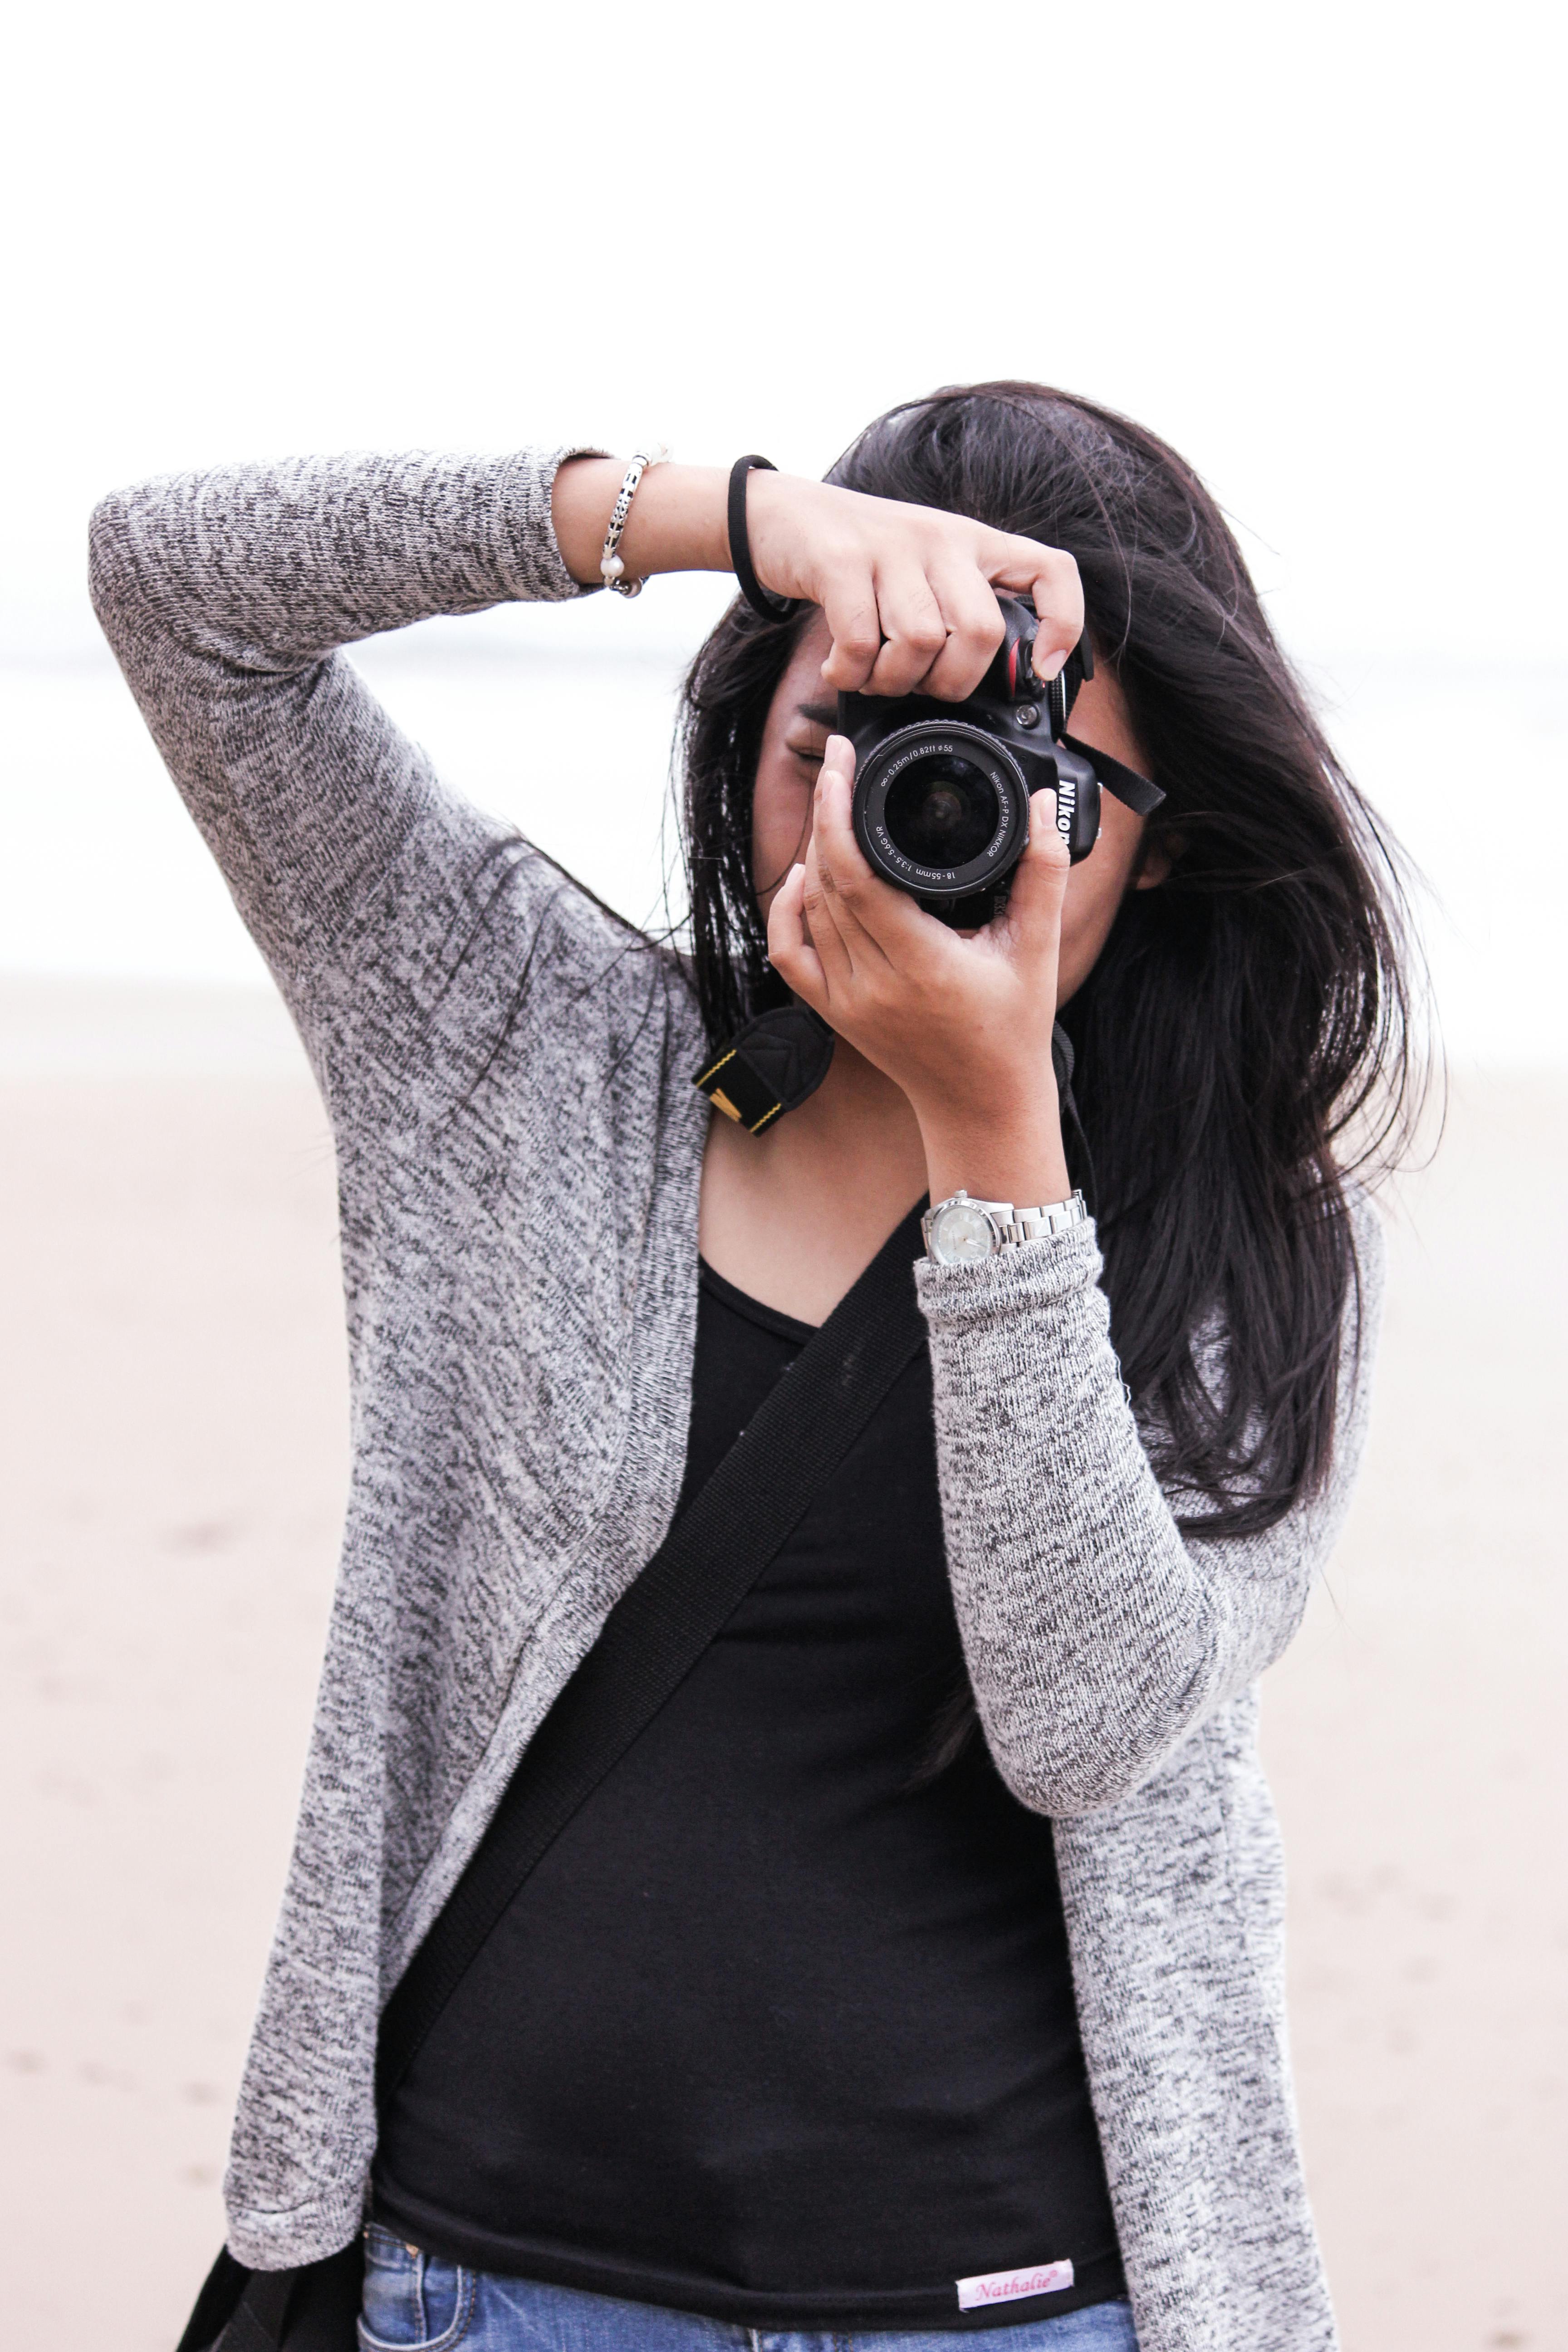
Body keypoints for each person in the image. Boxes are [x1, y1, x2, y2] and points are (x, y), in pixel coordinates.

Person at [89, 382, 1418, 2352]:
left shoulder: (1259, 1240)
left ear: (1164, 846)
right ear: (754, 738)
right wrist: (722, 518)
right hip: (499, 2285)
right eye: (844, 741)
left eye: (1014, 781)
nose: (911, 821)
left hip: (1013, 2307)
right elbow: (174, 590)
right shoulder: (507, 1036)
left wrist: (1000, 1149)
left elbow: (1085, 1724)